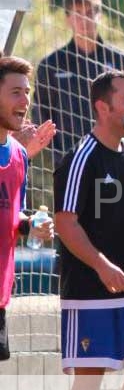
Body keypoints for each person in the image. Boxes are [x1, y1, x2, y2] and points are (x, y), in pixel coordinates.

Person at [53, 70, 124, 390]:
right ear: (104, 107)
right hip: (90, 291)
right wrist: (102, 265)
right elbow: (65, 222)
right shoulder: (79, 158)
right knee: (89, 382)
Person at [32, 0, 124, 163]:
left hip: (113, 156)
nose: (84, 20)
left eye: (89, 13)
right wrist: (59, 155)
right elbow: (41, 114)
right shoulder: (51, 64)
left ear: (99, 15)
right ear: (68, 18)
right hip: (69, 159)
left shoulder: (119, 61)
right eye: (78, 14)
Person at [0, 56, 54, 361]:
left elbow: (13, 213)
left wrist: (30, 224)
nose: (25, 100)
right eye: (15, 92)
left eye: (27, 91)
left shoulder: (20, 155)